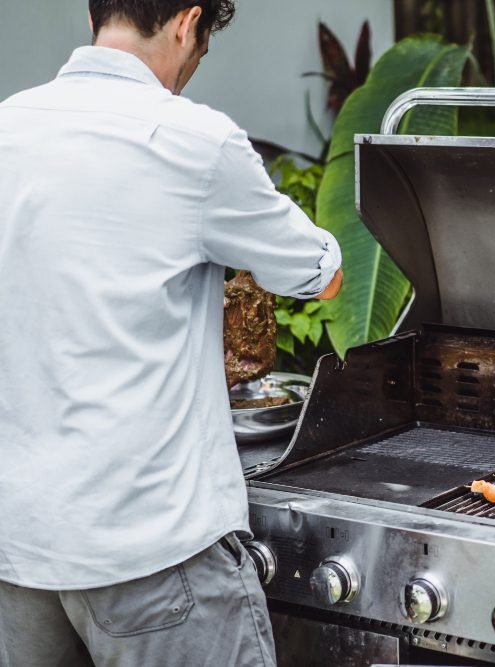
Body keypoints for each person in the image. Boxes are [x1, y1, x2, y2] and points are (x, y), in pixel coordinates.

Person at [0, 2, 343, 665]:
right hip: (154, 556)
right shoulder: (194, 140)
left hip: (20, 552)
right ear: (188, 24)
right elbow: (319, 274)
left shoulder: (7, 128)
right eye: (201, 49)